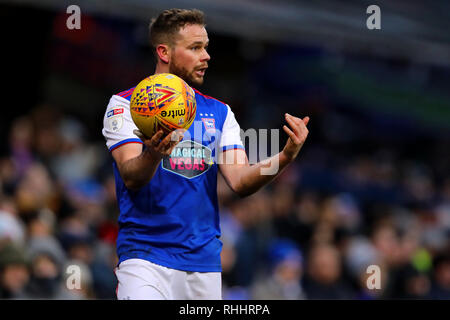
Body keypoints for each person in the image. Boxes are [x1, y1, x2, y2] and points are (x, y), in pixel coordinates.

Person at [102, 8, 310, 300]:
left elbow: (240, 181)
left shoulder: (220, 112)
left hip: (204, 264)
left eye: (206, 48)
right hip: (145, 258)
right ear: (164, 52)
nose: (206, 56)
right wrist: (153, 154)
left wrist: (285, 157)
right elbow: (131, 176)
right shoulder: (125, 105)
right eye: (195, 48)